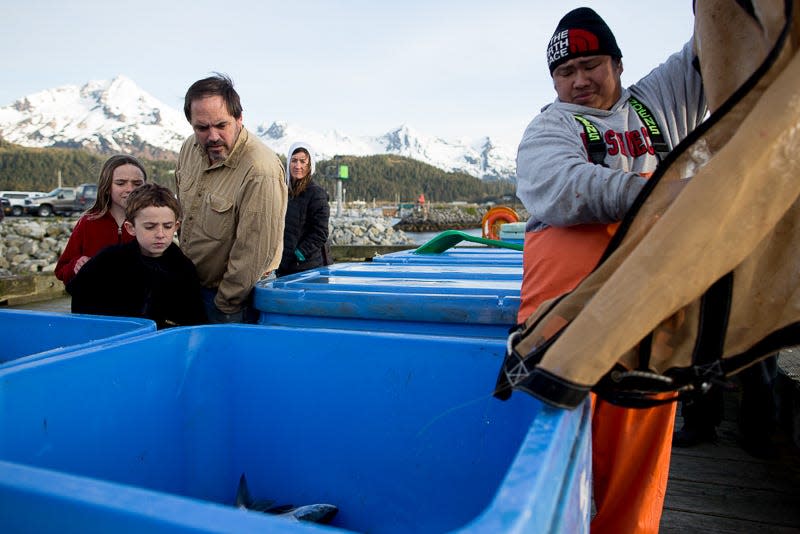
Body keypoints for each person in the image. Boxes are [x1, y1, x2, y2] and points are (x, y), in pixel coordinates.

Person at [515, 8, 706, 534]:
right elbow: (561, 186)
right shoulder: (547, 128)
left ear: (618, 65)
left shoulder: (660, 100)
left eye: (592, 64)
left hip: (650, 325)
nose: (579, 80)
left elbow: (717, 41)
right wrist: (660, 193)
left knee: (636, 476)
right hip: (564, 332)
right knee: (561, 467)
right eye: (565, 71)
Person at [175, 74, 287, 323]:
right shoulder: (188, 149)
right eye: (201, 128)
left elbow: (254, 252)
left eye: (221, 125)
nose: (212, 136)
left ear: (239, 118)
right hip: (192, 290)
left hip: (234, 301)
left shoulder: (261, 170)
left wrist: (225, 304)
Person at [66, 183, 206, 329]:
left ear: (176, 226)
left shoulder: (183, 268)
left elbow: (195, 321)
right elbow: (80, 304)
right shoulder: (108, 261)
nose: (160, 234)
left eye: (167, 226)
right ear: (130, 228)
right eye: (150, 227)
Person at [55, 154, 147, 284]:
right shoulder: (88, 222)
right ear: (107, 187)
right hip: (93, 303)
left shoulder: (152, 223)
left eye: (137, 184)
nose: (130, 189)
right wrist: (75, 265)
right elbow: (61, 270)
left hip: (140, 303)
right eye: (121, 183)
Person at [277, 142, 331, 277]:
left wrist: (299, 254)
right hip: (284, 266)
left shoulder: (316, 194)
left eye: (303, 161)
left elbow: (320, 232)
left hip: (308, 269)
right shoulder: (284, 191)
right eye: (294, 160)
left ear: (310, 164)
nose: (298, 165)